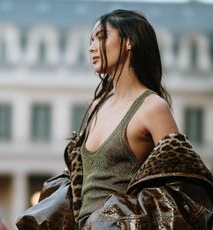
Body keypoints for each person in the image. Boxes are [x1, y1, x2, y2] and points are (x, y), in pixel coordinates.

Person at [16, 9, 213, 230]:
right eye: (90, 40)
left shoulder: (152, 107)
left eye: (101, 37)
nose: (91, 47)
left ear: (128, 42)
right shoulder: (96, 107)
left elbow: (182, 187)